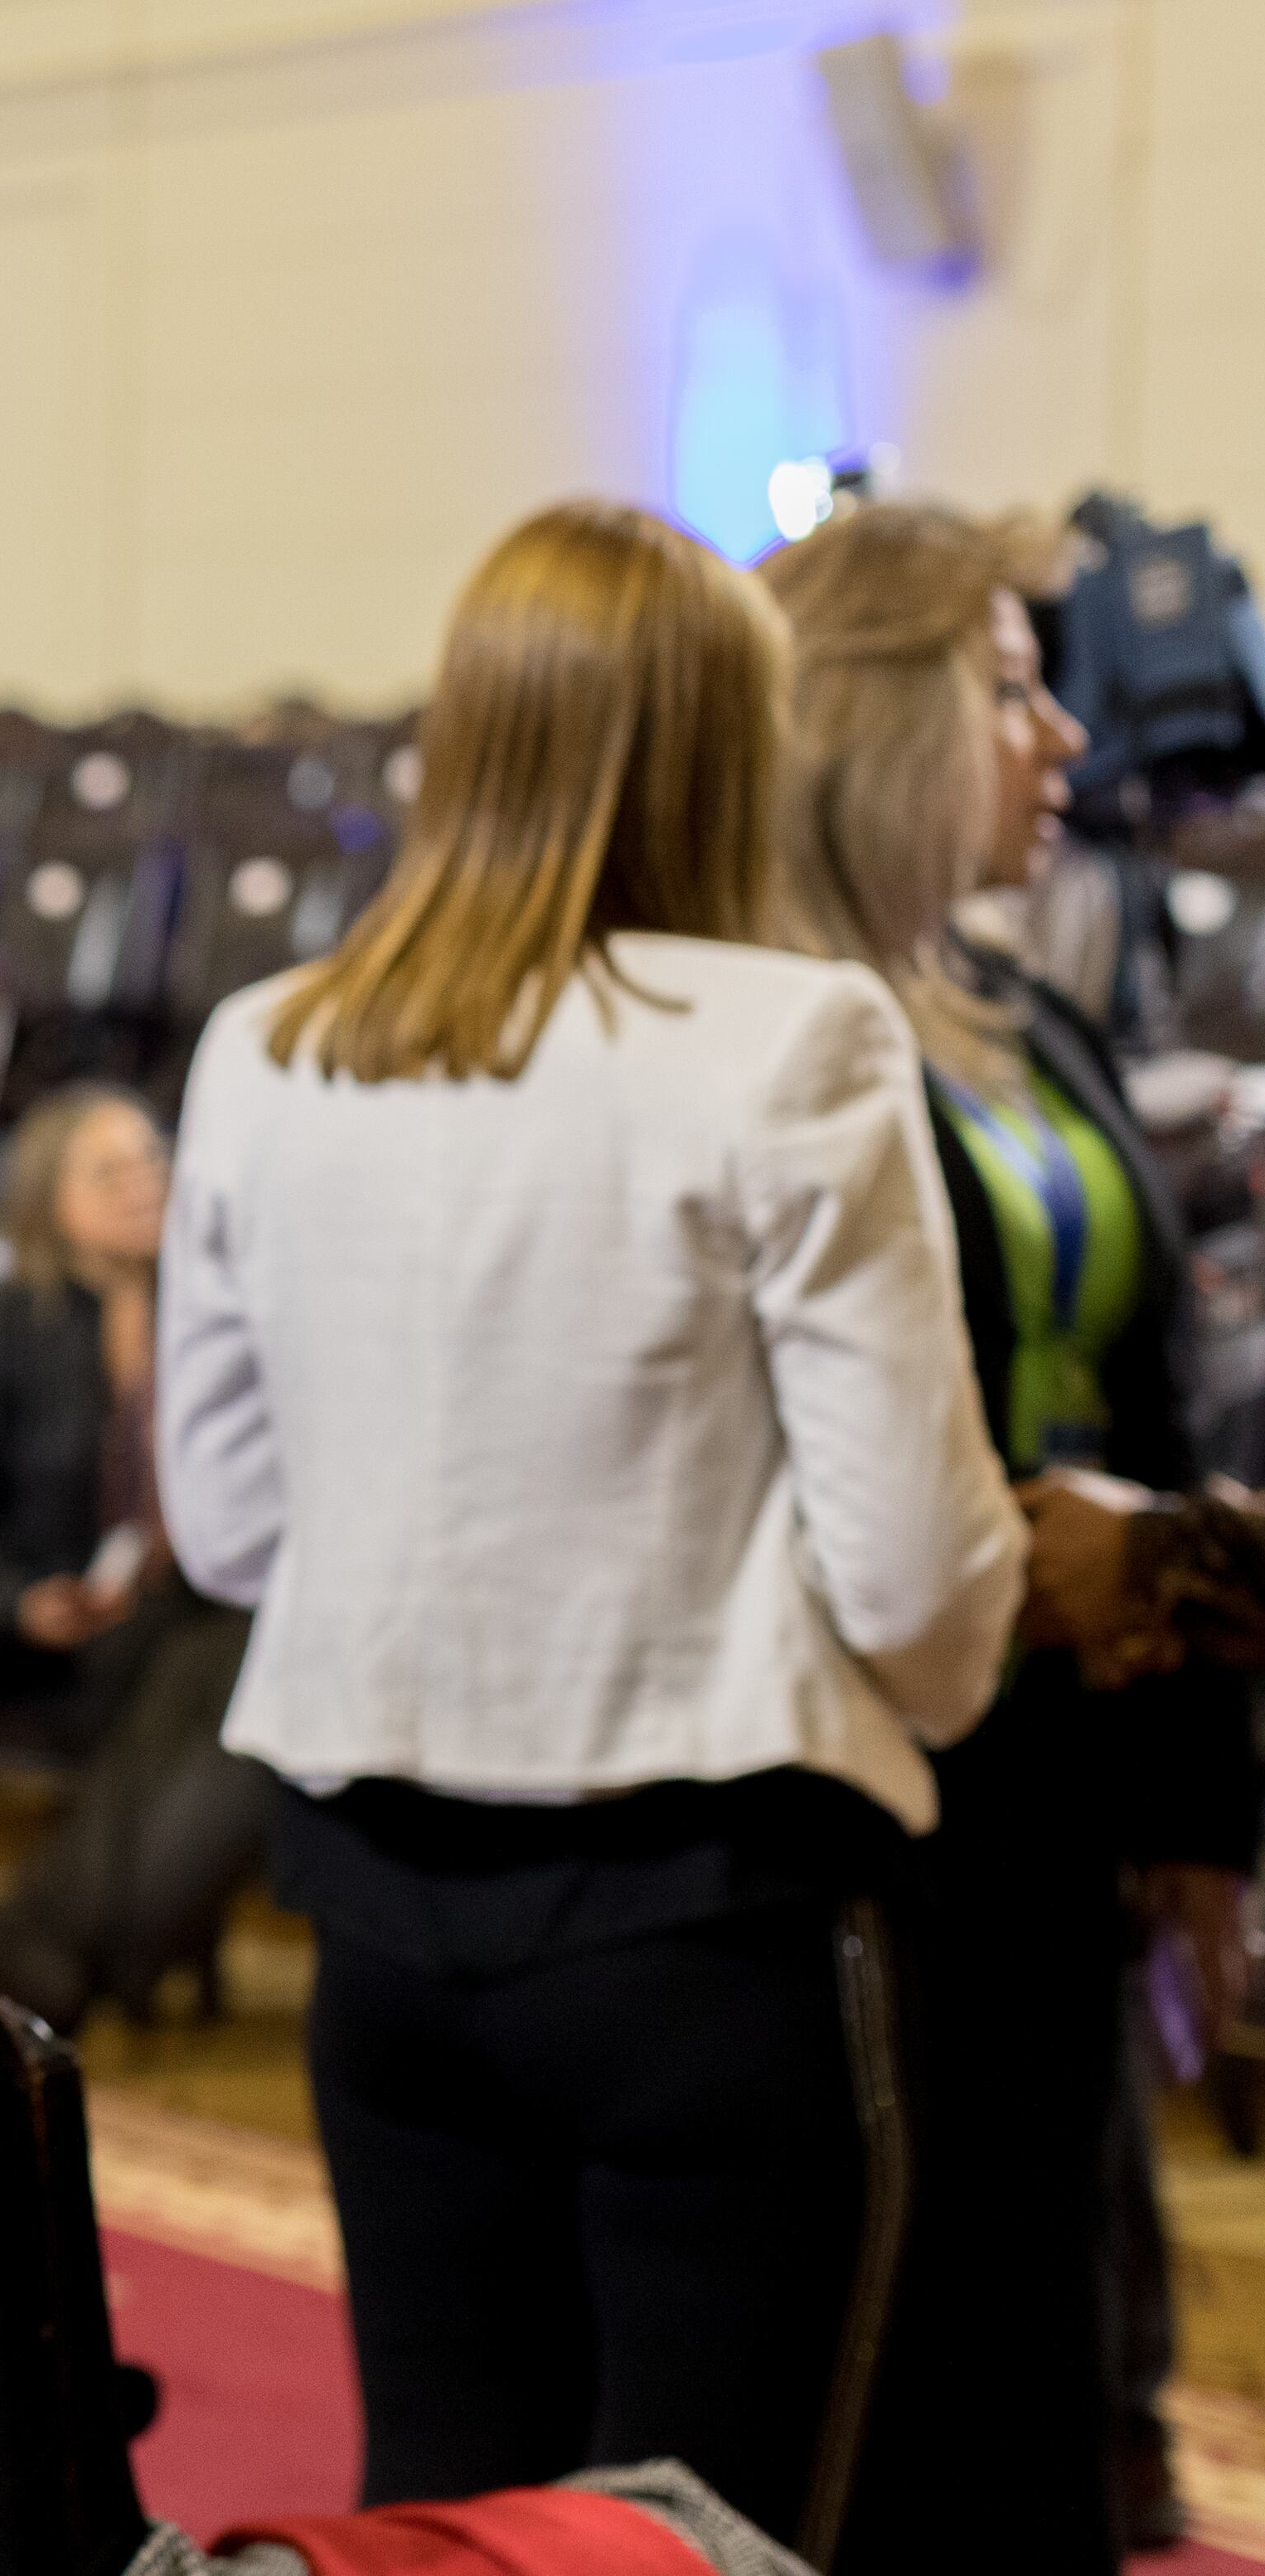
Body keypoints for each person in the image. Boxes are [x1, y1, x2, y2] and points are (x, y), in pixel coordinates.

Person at [155, 499, 1077, 2557]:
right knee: (714, 2536)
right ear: (725, 751)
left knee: (444, 2530)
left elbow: (224, 1528)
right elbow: (922, 1583)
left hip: (383, 1928)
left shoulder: (266, 1045)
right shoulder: (792, 1039)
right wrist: (944, 1691)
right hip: (707, 1923)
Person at [760, 501, 1261, 2572]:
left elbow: (1147, 1415)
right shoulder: (751, 1033)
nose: (1061, 737)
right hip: (862, 1790)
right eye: (1009, 685)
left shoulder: (1010, 1013)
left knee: (1048, 2357)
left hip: (1063, 1772)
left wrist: (1197, 1817)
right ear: (870, 719)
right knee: (892, 2384)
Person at [0, 1084, 269, 2024]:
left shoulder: (209, 1314)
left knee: (217, 1652)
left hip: (173, 1613)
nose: (141, 1184)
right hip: (33, 1608)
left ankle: (80, 1943)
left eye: (151, 1161)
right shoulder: (4, 1326)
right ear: (50, 1200)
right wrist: (18, 1600)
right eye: (107, 1170)